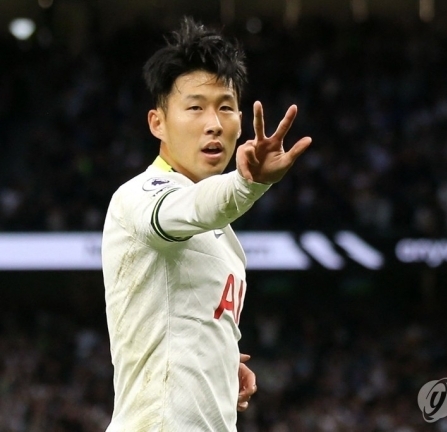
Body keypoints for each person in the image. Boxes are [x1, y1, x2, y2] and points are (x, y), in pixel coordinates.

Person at [101, 17, 311, 431]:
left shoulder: (225, 239)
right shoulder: (140, 196)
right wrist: (248, 183)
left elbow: (181, 321)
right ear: (157, 123)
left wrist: (220, 361)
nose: (214, 122)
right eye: (195, 107)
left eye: (225, 107)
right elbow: (193, 207)